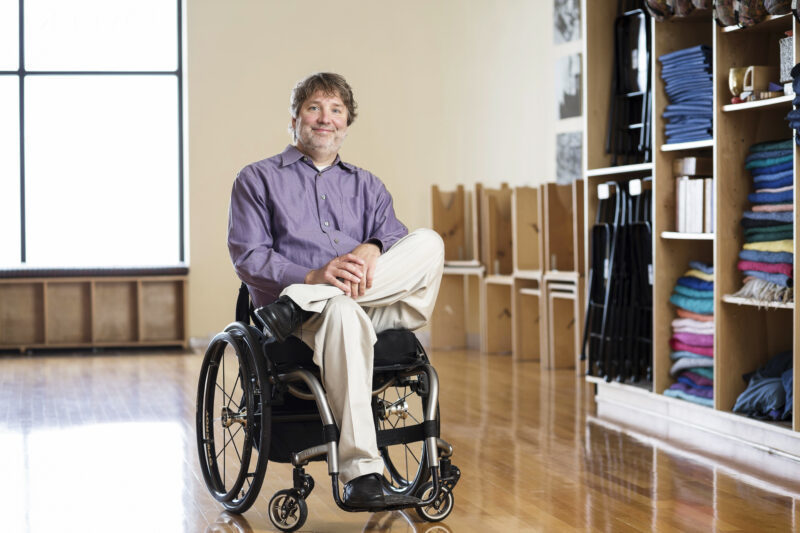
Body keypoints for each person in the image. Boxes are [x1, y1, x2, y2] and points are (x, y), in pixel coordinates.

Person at [227, 72, 444, 508]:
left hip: (374, 305)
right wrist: (311, 278)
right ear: (295, 120)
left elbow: (399, 245)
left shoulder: (368, 185)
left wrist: (374, 245)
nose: (325, 118)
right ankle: (362, 475)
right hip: (308, 323)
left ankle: (306, 302)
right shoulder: (256, 179)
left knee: (430, 243)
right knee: (342, 311)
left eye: (336, 110)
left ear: (346, 123)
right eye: (314, 108)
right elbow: (249, 256)